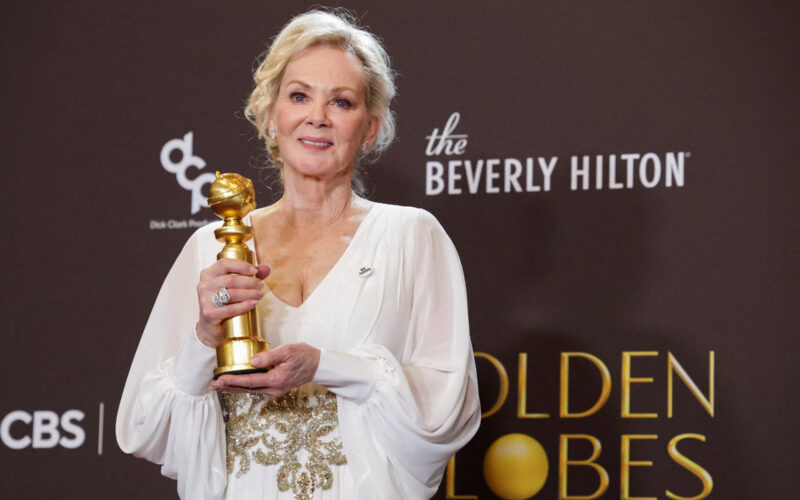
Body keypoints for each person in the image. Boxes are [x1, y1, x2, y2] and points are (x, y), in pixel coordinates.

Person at [117, 9, 480, 500]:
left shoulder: (411, 236)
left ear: (369, 128)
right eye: (299, 95)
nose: (318, 116)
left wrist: (323, 365)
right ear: (271, 116)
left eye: (342, 102)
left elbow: (448, 409)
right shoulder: (211, 247)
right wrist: (205, 338)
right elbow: (146, 427)